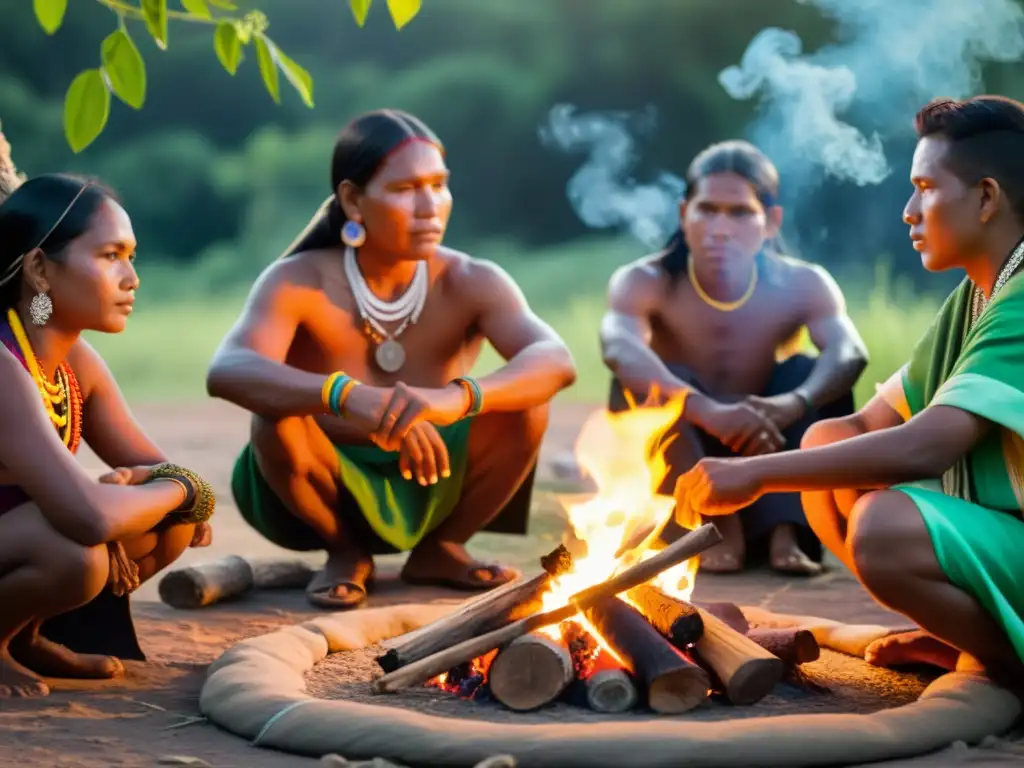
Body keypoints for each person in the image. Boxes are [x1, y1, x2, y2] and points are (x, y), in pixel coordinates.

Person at [674, 95, 1024, 686]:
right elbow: (864, 426)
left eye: (925, 188)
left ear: (987, 198)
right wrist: (779, 456)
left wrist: (756, 475)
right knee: (827, 439)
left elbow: (926, 447)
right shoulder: (976, 297)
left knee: (883, 526)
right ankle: (966, 640)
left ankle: (1006, 664)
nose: (909, 211)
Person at [206, 109, 577, 610]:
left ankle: (441, 549)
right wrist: (343, 395)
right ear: (353, 200)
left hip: (432, 473)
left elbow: (555, 359)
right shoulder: (298, 280)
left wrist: (455, 399)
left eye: (439, 185)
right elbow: (227, 370)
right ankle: (344, 551)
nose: (430, 206)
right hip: (318, 484)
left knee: (527, 404)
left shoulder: (472, 279)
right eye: (405, 189)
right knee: (277, 420)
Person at [600, 140, 868, 576]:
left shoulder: (802, 283)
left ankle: (789, 530)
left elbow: (850, 352)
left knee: (807, 372)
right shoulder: (644, 280)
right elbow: (618, 346)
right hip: (684, 449)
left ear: (771, 221)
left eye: (740, 212)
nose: (720, 227)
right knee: (643, 378)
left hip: (768, 444)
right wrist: (706, 411)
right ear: (683, 214)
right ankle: (711, 523)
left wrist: (792, 404)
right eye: (707, 209)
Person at [0, 174, 216, 698]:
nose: (132, 278)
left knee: (171, 527)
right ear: (39, 269)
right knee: (78, 555)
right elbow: (92, 516)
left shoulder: (76, 363)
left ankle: (23, 636)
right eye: (111, 255)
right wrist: (179, 489)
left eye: (132, 256)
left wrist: (155, 495)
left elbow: (181, 506)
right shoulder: (3, 364)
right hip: (28, 542)